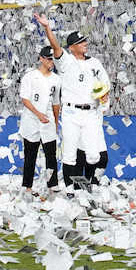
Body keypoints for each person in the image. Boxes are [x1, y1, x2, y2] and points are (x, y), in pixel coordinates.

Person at [34, 13, 111, 190]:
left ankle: (88, 185)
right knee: (70, 155)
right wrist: (47, 27)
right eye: (81, 42)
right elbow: (55, 46)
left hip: (91, 113)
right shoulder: (66, 62)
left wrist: (104, 95)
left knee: (94, 156)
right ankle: (72, 189)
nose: (85, 44)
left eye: (85, 41)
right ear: (72, 47)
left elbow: (104, 84)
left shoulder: (95, 63)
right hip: (71, 113)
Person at [18, 46, 61, 196]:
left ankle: (52, 185)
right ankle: (27, 186)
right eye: (49, 59)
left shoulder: (56, 79)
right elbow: (25, 99)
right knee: (30, 154)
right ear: (41, 59)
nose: (51, 62)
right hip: (31, 120)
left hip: (48, 120)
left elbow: (56, 102)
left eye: (53, 59)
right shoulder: (30, 77)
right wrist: (38, 114)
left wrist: (56, 121)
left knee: (51, 155)